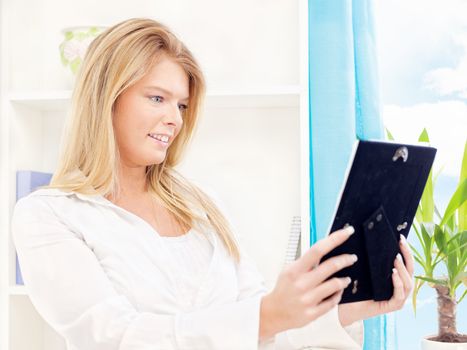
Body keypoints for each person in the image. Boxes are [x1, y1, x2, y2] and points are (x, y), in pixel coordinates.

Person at [11, 18, 414, 350]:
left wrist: (348, 309)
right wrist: (267, 314)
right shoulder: (49, 215)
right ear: (105, 98)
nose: (175, 119)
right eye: (157, 98)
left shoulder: (201, 206)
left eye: (182, 105)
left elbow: (262, 332)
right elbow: (114, 337)